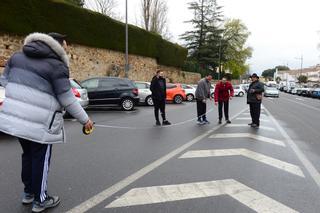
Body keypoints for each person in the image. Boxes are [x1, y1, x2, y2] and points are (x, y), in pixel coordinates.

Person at [0, 32, 94, 213]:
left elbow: (5, 80)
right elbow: (67, 98)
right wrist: (86, 120)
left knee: (27, 156)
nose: (66, 49)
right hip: (41, 123)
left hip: (16, 120)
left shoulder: (17, 57)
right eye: (65, 46)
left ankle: (28, 193)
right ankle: (41, 200)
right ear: (57, 46)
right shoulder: (57, 66)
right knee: (41, 161)